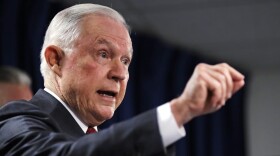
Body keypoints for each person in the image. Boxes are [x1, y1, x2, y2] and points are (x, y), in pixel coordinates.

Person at [0, 3, 245, 156]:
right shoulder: (16, 120)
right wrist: (179, 110)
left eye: (126, 61)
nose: (120, 73)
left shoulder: (99, 139)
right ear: (55, 59)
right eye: (103, 54)